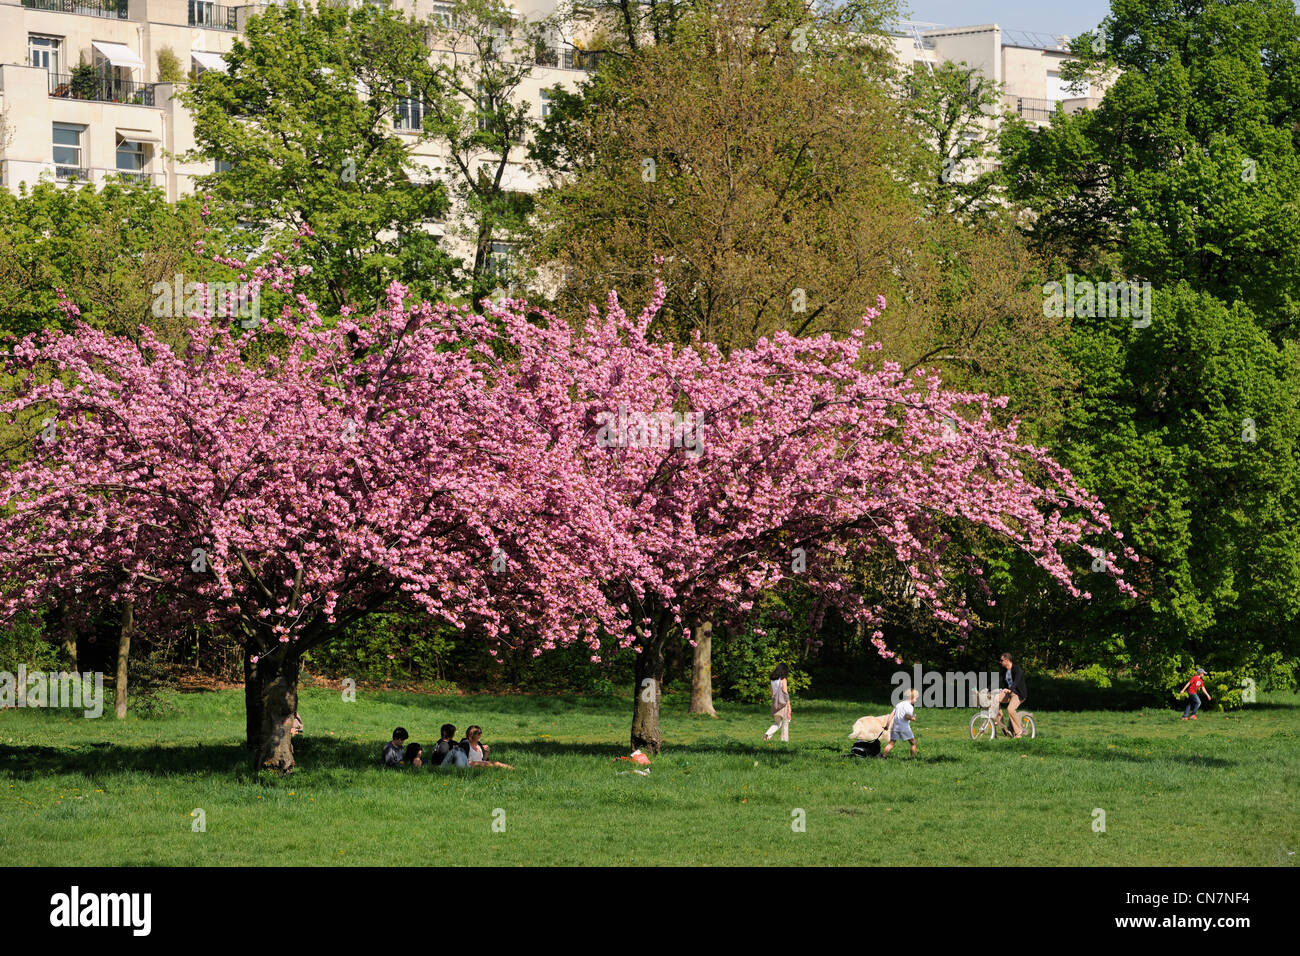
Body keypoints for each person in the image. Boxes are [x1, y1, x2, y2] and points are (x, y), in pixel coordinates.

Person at [993, 652, 1029, 738]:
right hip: (1008, 693)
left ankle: (1019, 731)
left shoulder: (1017, 669)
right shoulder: (1005, 671)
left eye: (1001, 660)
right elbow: (997, 681)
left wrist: (1010, 689)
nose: (1000, 662)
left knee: (1010, 709)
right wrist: (987, 689)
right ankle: (1001, 723)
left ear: (1007, 660)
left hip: (1018, 694)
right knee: (994, 699)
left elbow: (1016, 681)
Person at [882, 688, 919, 758]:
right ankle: (913, 758)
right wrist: (913, 718)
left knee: (891, 743)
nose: (916, 700)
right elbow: (907, 716)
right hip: (904, 728)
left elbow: (891, 715)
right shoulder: (909, 706)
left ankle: (883, 756)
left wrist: (887, 725)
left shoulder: (899, 704)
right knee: (913, 743)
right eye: (916, 698)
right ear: (912, 698)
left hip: (895, 727)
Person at [763, 663, 792, 742]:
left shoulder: (772, 680)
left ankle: (767, 734)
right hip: (783, 704)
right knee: (786, 722)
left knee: (777, 723)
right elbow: (785, 693)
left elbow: (772, 694)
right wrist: (789, 706)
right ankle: (784, 741)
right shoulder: (783, 680)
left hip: (775, 704)